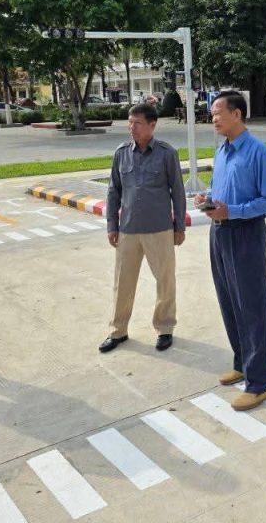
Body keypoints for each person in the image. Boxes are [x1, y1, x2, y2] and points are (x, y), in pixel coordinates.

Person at [195, 90, 266, 411]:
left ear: (237, 114)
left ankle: (260, 382)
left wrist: (232, 211)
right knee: (229, 301)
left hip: (246, 235)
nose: (213, 119)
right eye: (212, 114)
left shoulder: (258, 152)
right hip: (219, 233)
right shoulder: (222, 151)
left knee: (252, 306)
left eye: (218, 113)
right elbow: (221, 189)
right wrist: (207, 199)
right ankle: (242, 362)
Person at [102, 103, 186, 353]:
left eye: (137, 123)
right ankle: (118, 331)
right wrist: (112, 225)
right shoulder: (121, 153)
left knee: (165, 281)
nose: (132, 128)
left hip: (159, 228)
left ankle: (165, 327)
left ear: (152, 125)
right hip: (128, 229)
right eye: (130, 123)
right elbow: (113, 191)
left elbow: (178, 192)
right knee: (122, 282)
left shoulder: (167, 153)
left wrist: (179, 227)